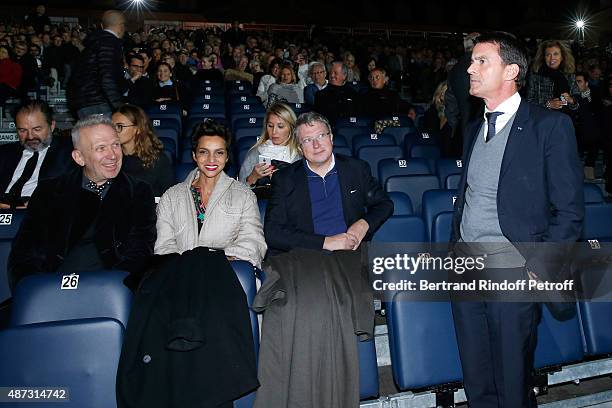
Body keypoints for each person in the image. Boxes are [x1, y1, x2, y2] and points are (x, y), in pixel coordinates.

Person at [451, 32, 583, 408]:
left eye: (481, 61)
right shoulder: (475, 127)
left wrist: (538, 266)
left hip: (513, 269)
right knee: (476, 377)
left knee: (511, 380)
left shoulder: (549, 127)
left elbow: (570, 210)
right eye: (471, 61)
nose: (470, 69)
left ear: (511, 71)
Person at [8, 115, 157, 292]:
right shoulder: (49, 192)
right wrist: (36, 290)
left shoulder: (139, 191)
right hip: (51, 287)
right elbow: (25, 252)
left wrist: (113, 288)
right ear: (79, 157)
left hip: (110, 289)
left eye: (116, 145)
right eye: (101, 148)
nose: (113, 155)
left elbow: (139, 252)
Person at [264, 111, 393, 255]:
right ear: (300, 148)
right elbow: (273, 232)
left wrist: (363, 224)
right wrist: (326, 242)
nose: (316, 145)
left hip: (349, 253)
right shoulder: (284, 179)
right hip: (306, 255)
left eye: (321, 136)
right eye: (307, 140)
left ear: (331, 138)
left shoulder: (356, 169)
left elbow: (384, 204)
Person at [155, 119, 266, 268]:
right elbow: (164, 247)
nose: (211, 159)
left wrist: (214, 261)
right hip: (180, 275)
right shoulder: (171, 197)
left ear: (227, 157)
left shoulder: (244, 196)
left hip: (225, 273)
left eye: (219, 153)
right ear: (194, 155)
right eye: (203, 152)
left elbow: (253, 243)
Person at [0, 100, 74, 209]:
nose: (30, 136)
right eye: (22, 130)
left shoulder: (70, 151)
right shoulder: (4, 153)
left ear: (52, 126)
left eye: (37, 129)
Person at [70, 10, 126, 118]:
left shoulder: (92, 44)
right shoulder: (109, 42)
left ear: (102, 25)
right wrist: (119, 107)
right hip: (100, 103)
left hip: (85, 103)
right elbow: (107, 76)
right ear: (121, 26)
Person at [111, 104, 174, 197]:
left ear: (138, 129)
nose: (114, 131)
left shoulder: (158, 160)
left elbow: (170, 196)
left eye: (120, 126)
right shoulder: (109, 158)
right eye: (111, 126)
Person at [239, 102, 300, 186]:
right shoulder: (255, 153)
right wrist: (253, 177)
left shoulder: (300, 155)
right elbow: (239, 191)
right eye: (270, 126)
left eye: (280, 126)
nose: (274, 132)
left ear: (291, 128)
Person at [526, 40, 579, 113]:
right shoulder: (536, 75)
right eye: (548, 55)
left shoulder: (570, 75)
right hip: (542, 119)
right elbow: (528, 101)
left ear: (562, 57)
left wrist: (571, 100)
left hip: (565, 119)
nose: (552, 58)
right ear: (544, 57)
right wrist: (548, 104)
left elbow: (577, 104)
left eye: (556, 54)